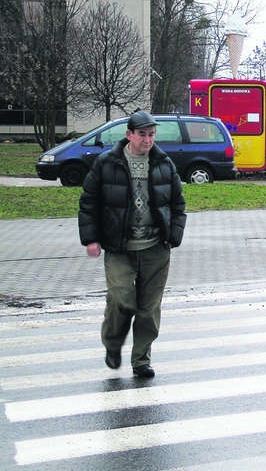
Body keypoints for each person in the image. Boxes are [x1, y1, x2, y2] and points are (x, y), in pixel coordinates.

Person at [78, 110, 187, 378]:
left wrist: (174, 235)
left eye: (151, 134)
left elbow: (178, 203)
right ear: (129, 135)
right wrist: (90, 239)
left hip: (155, 248)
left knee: (149, 309)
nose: (148, 140)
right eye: (142, 135)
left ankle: (141, 361)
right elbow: (88, 203)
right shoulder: (107, 163)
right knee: (121, 300)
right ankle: (113, 345)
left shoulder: (163, 163)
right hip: (120, 248)